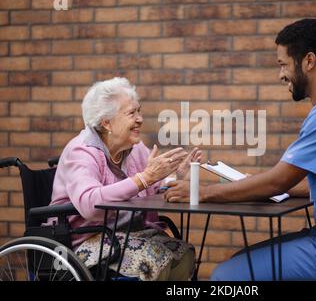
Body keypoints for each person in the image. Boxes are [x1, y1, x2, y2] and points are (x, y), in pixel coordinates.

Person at [164, 18, 316, 281]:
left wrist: (202, 192)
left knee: (226, 275)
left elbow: (279, 181)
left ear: (309, 61)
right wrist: (251, 184)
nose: (281, 75)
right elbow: (310, 183)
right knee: (240, 262)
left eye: (283, 64)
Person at [48, 77, 201, 281]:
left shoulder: (134, 148)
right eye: (131, 113)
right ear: (107, 122)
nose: (140, 118)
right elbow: (90, 204)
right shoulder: (82, 151)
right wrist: (143, 178)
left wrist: (176, 177)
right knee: (154, 259)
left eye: (139, 110)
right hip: (84, 240)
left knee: (184, 252)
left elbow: (152, 185)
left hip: (128, 234)